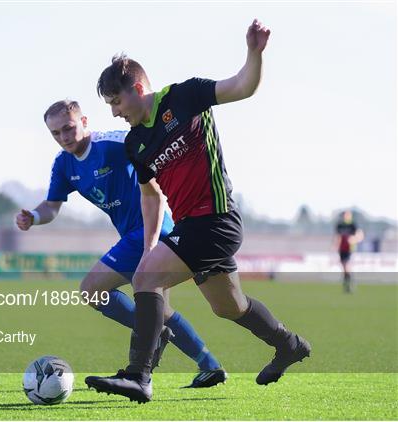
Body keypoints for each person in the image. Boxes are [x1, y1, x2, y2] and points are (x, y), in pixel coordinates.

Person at [85, 19, 311, 403]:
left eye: (117, 102)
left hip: (217, 221)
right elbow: (151, 195)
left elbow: (242, 86)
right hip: (192, 227)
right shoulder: (136, 142)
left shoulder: (184, 97)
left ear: (138, 89)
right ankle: (289, 345)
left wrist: (254, 54)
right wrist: (150, 244)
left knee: (146, 280)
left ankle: (139, 376)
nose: (115, 113)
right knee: (229, 306)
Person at [15, 100, 227, 388]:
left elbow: (153, 151)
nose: (64, 137)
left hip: (149, 231)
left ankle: (152, 332)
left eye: (68, 128)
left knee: (92, 290)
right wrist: (34, 216)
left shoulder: (115, 143)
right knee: (161, 309)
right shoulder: (63, 164)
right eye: (56, 133)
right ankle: (210, 365)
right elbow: (52, 205)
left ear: (84, 121)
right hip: (134, 234)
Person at [335, 210, 363, 293]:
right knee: (344, 268)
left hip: (349, 249)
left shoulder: (353, 225)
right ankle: (347, 285)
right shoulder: (340, 225)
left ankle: (349, 285)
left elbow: (360, 235)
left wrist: (354, 239)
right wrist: (336, 246)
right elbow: (338, 237)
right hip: (341, 249)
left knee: (347, 267)